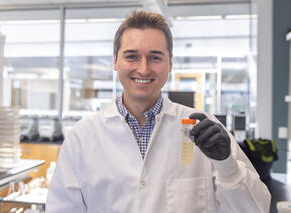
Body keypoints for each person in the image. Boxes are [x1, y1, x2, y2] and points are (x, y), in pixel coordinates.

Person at [46, 10, 271, 213]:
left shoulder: (204, 128)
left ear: (170, 64)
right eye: (131, 56)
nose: (143, 68)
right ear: (115, 61)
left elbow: (256, 209)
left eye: (155, 57)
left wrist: (227, 165)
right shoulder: (82, 137)